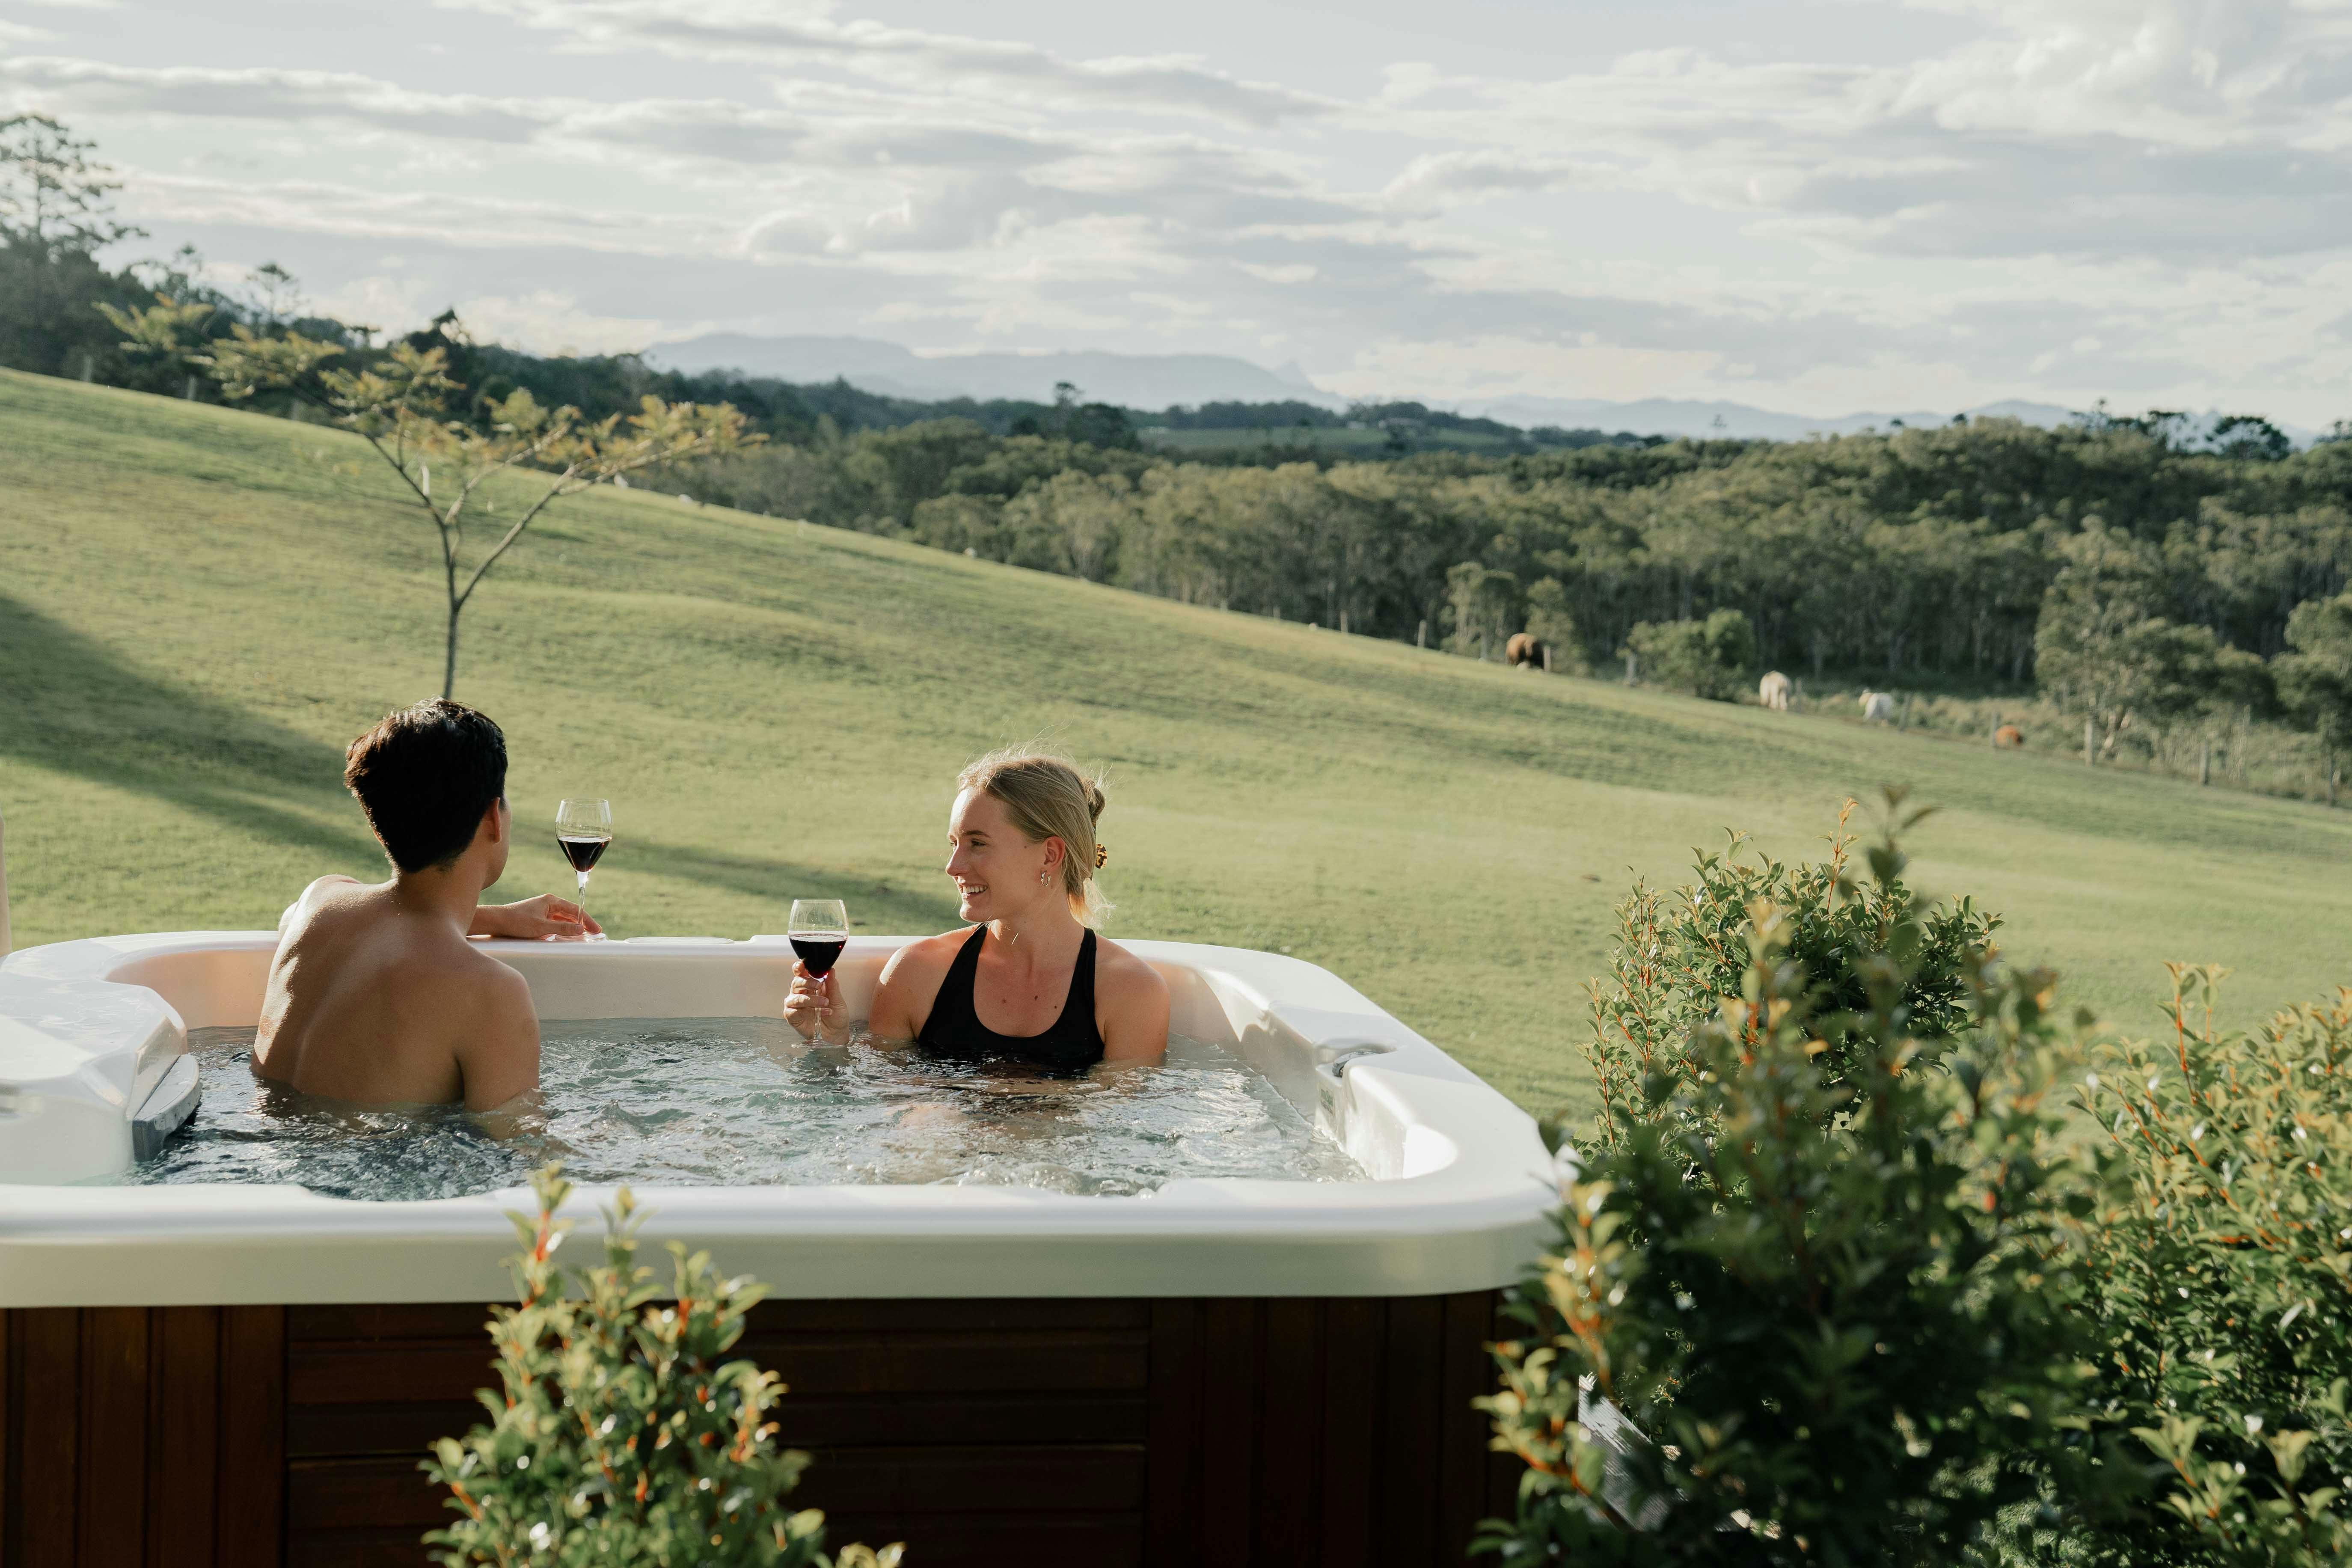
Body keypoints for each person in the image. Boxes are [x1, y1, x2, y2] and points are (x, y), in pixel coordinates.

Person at [253, 700, 595, 1109]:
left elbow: (306, 920)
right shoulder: (489, 992)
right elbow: (520, 1141)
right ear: (493, 818)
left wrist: (494, 918)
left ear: (377, 826)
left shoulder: (318, 902)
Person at [786, 748, 1169, 1069]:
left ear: (1050, 855)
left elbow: (1113, 1122)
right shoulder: (917, 973)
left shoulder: (1130, 992)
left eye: (978, 844)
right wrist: (831, 1046)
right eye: (954, 843)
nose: (952, 867)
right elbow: (881, 1104)